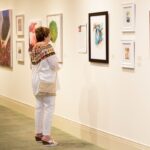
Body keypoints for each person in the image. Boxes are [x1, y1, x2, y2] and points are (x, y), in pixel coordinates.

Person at [29, 26, 59, 146]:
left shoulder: (34, 47)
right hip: (46, 81)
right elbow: (54, 64)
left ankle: (38, 133)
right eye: (49, 34)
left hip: (36, 80)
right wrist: (58, 66)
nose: (50, 36)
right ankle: (46, 136)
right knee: (49, 107)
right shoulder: (47, 47)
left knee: (39, 107)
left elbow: (32, 66)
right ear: (45, 36)